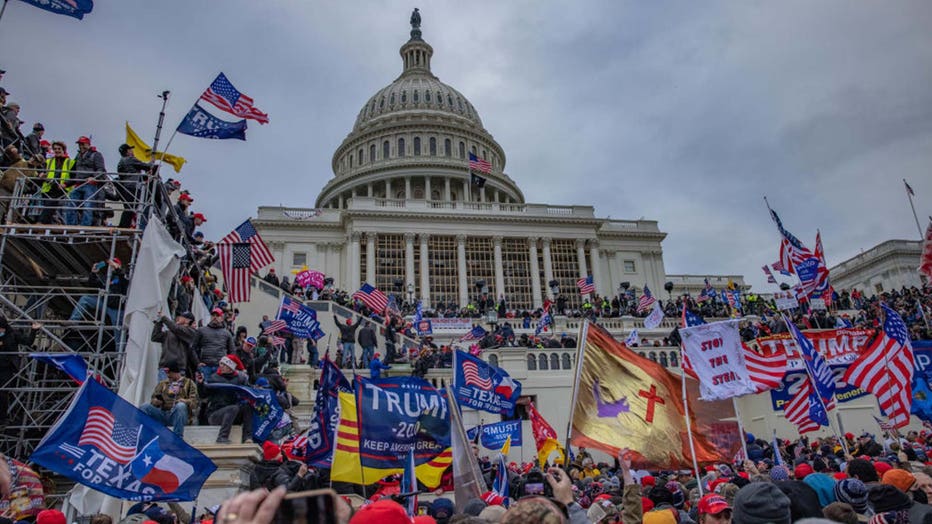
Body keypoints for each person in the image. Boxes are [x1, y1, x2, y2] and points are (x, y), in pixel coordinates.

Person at [140, 362, 198, 437]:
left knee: (181, 406)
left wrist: (184, 401)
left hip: (178, 415)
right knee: (144, 407)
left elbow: (195, 402)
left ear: (176, 373)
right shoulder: (162, 384)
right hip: (163, 413)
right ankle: (144, 436)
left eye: (170, 374)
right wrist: (156, 402)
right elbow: (153, 399)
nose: (168, 376)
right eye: (167, 374)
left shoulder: (189, 383)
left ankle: (177, 438)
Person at [203, 355, 252, 444]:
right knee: (233, 408)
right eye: (220, 363)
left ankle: (247, 437)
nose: (221, 366)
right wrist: (200, 384)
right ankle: (222, 437)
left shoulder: (240, 379)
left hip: (232, 414)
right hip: (215, 414)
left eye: (224, 364)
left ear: (231, 368)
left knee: (246, 406)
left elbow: (248, 391)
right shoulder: (214, 378)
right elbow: (203, 394)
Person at [0, 317, 40, 425]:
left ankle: (2, 418)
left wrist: (34, 330)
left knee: (2, 393)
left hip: (7, 368)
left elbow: (28, 342)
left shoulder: (13, 334)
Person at [69, 258, 128, 325]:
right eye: (110, 265)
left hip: (117, 308)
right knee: (85, 298)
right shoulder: (106, 278)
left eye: (114, 264)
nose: (112, 266)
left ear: (119, 265)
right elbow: (92, 287)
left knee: (118, 328)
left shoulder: (124, 276)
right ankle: (74, 321)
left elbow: (124, 283)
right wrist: (93, 273)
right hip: (104, 302)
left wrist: (118, 269)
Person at [65, 136, 106, 227]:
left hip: (90, 184)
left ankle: (85, 226)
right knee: (70, 204)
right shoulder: (78, 156)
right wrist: (66, 183)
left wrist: (93, 177)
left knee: (88, 205)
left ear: (88, 144)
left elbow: (101, 169)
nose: (81, 146)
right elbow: (73, 172)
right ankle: (70, 225)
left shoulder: (96, 155)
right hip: (78, 183)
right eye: (79, 144)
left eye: (82, 144)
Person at [115, 143, 155, 229]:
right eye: (130, 149)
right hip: (132, 186)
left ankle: (124, 225)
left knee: (129, 207)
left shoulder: (121, 162)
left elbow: (130, 173)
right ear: (127, 151)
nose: (132, 151)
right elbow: (147, 166)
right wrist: (152, 161)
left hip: (125, 186)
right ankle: (123, 226)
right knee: (131, 207)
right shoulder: (130, 159)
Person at [151, 311, 197, 379]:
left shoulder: (191, 332)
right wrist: (159, 323)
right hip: (165, 368)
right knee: (163, 389)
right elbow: (155, 337)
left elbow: (176, 328)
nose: (178, 318)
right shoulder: (169, 332)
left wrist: (163, 318)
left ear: (188, 321)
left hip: (179, 370)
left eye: (182, 317)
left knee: (177, 389)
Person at [36, 141, 73, 224]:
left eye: (59, 149)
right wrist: (41, 174)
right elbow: (42, 170)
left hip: (62, 189)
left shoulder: (70, 162)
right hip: (48, 187)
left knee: (51, 205)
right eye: (55, 149)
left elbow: (74, 176)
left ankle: (41, 223)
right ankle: (55, 226)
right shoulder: (49, 161)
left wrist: (66, 184)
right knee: (51, 210)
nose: (57, 150)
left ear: (63, 150)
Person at [192, 308, 236, 378]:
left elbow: (232, 352)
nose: (215, 317)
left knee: (219, 388)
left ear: (222, 318)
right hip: (205, 366)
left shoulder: (227, 333)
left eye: (217, 315)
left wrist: (228, 366)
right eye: (213, 315)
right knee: (203, 387)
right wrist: (197, 363)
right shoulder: (201, 331)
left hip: (221, 368)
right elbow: (192, 348)